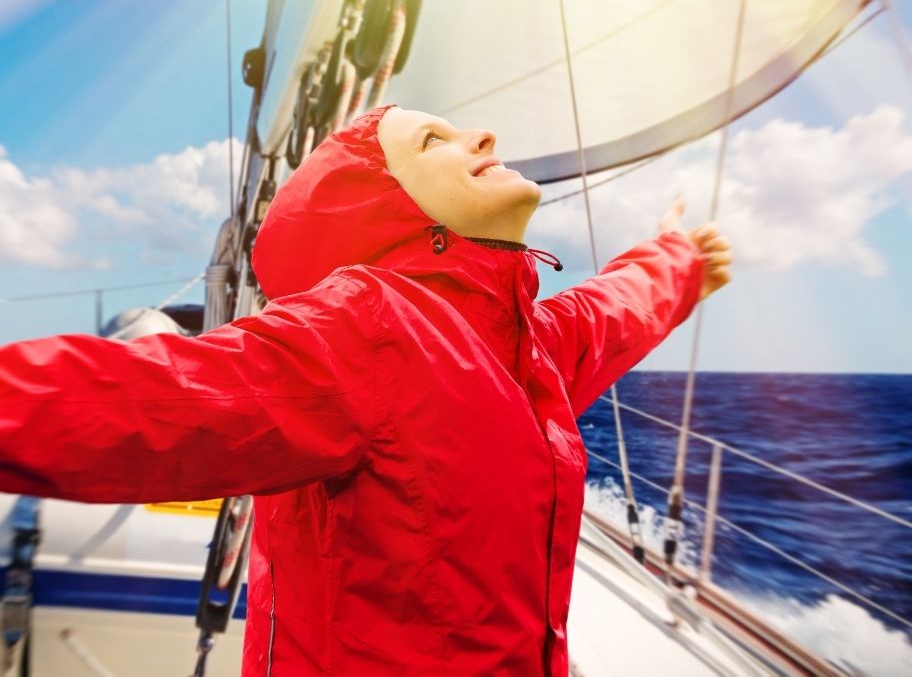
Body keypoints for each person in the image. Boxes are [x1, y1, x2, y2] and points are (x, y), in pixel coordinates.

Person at [0, 103, 731, 675]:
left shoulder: (525, 345)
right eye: (431, 142)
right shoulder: (367, 329)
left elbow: (614, 313)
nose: (481, 136)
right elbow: (147, 399)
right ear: (388, 206)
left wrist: (679, 261)